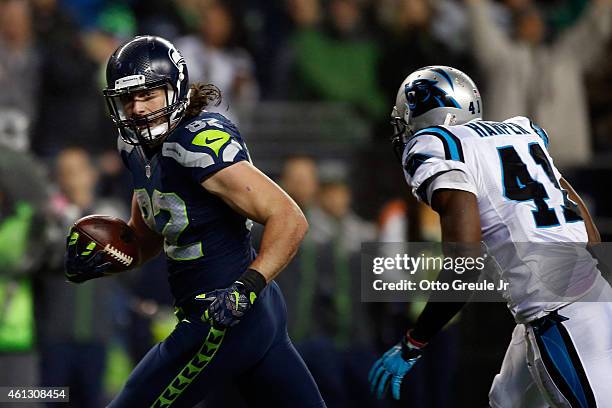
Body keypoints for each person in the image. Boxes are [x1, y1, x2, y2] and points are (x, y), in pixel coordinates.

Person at [63, 35, 325, 408]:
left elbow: (288, 217)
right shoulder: (134, 148)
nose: (137, 108)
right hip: (229, 312)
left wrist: (244, 288)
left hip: (224, 315)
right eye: (128, 98)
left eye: (149, 95)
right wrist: (105, 259)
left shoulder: (197, 143)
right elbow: (150, 235)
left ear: (176, 89)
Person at [368, 65, 612, 406]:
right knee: (506, 400)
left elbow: (464, 264)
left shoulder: (436, 145)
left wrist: (415, 342)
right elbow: (591, 235)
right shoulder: (521, 131)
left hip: (560, 317)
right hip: (592, 296)